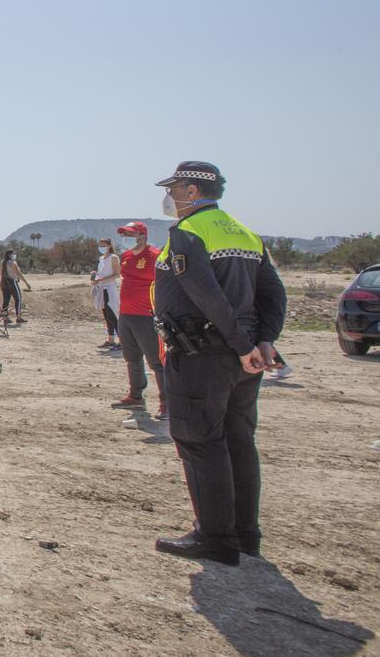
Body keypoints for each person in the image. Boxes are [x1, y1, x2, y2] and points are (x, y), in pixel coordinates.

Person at [151, 161, 287, 566]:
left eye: (174, 188)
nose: (170, 195)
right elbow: (273, 294)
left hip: (203, 352)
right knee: (238, 440)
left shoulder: (189, 233)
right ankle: (246, 535)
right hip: (241, 355)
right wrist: (261, 342)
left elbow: (207, 294)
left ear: (192, 191)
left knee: (200, 442)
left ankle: (215, 538)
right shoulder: (245, 234)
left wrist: (243, 342)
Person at [110, 222, 165, 417]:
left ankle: (166, 403)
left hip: (147, 316)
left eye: (130, 234)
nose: (126, 238)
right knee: (132, 358)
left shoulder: (155, 256)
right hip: (126, 315)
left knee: (157, 361)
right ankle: (136, 397)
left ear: (142, 235)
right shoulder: (126, 256)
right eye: (124, 234)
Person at [92, 237, 122, 349]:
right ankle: (110, 339)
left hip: (109, 288)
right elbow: (102, 273)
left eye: (103, 245)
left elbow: (116, 274)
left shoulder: (113, 257)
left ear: (109, 246)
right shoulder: (101, 258)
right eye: (100, 245)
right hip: (101, 289)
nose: (101, 247)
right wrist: (96, 276)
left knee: (112, 314)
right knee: (106, 315)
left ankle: (122, 340)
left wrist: (101, 280)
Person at [0, 249, 31, 322]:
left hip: (4, 283)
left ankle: (5, 318)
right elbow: (18, 273)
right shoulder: (12, 262)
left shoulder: (3, 262)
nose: (14, 255)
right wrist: (26, 283)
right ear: (9, 255)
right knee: (18, 299)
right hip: (12, 282)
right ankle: (18, 317)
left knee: (6, 300)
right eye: (13, 254)